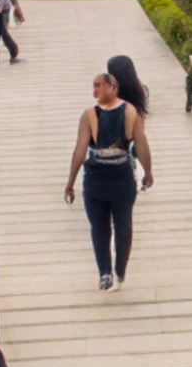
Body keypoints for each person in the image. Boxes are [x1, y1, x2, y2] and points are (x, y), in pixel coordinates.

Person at [65, 65, 156, 290]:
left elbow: (142, 144)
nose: (95, 91)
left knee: (121, 225)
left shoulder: (128, 113)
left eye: (99, 86)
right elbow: (79, 150)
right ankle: (106, 272)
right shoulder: (90, 115)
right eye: (93, 86)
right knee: (101, 227)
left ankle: (118, 269)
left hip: (118, 179)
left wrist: (148, 171)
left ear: (112, 87)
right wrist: (70, 182)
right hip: (98, 178)